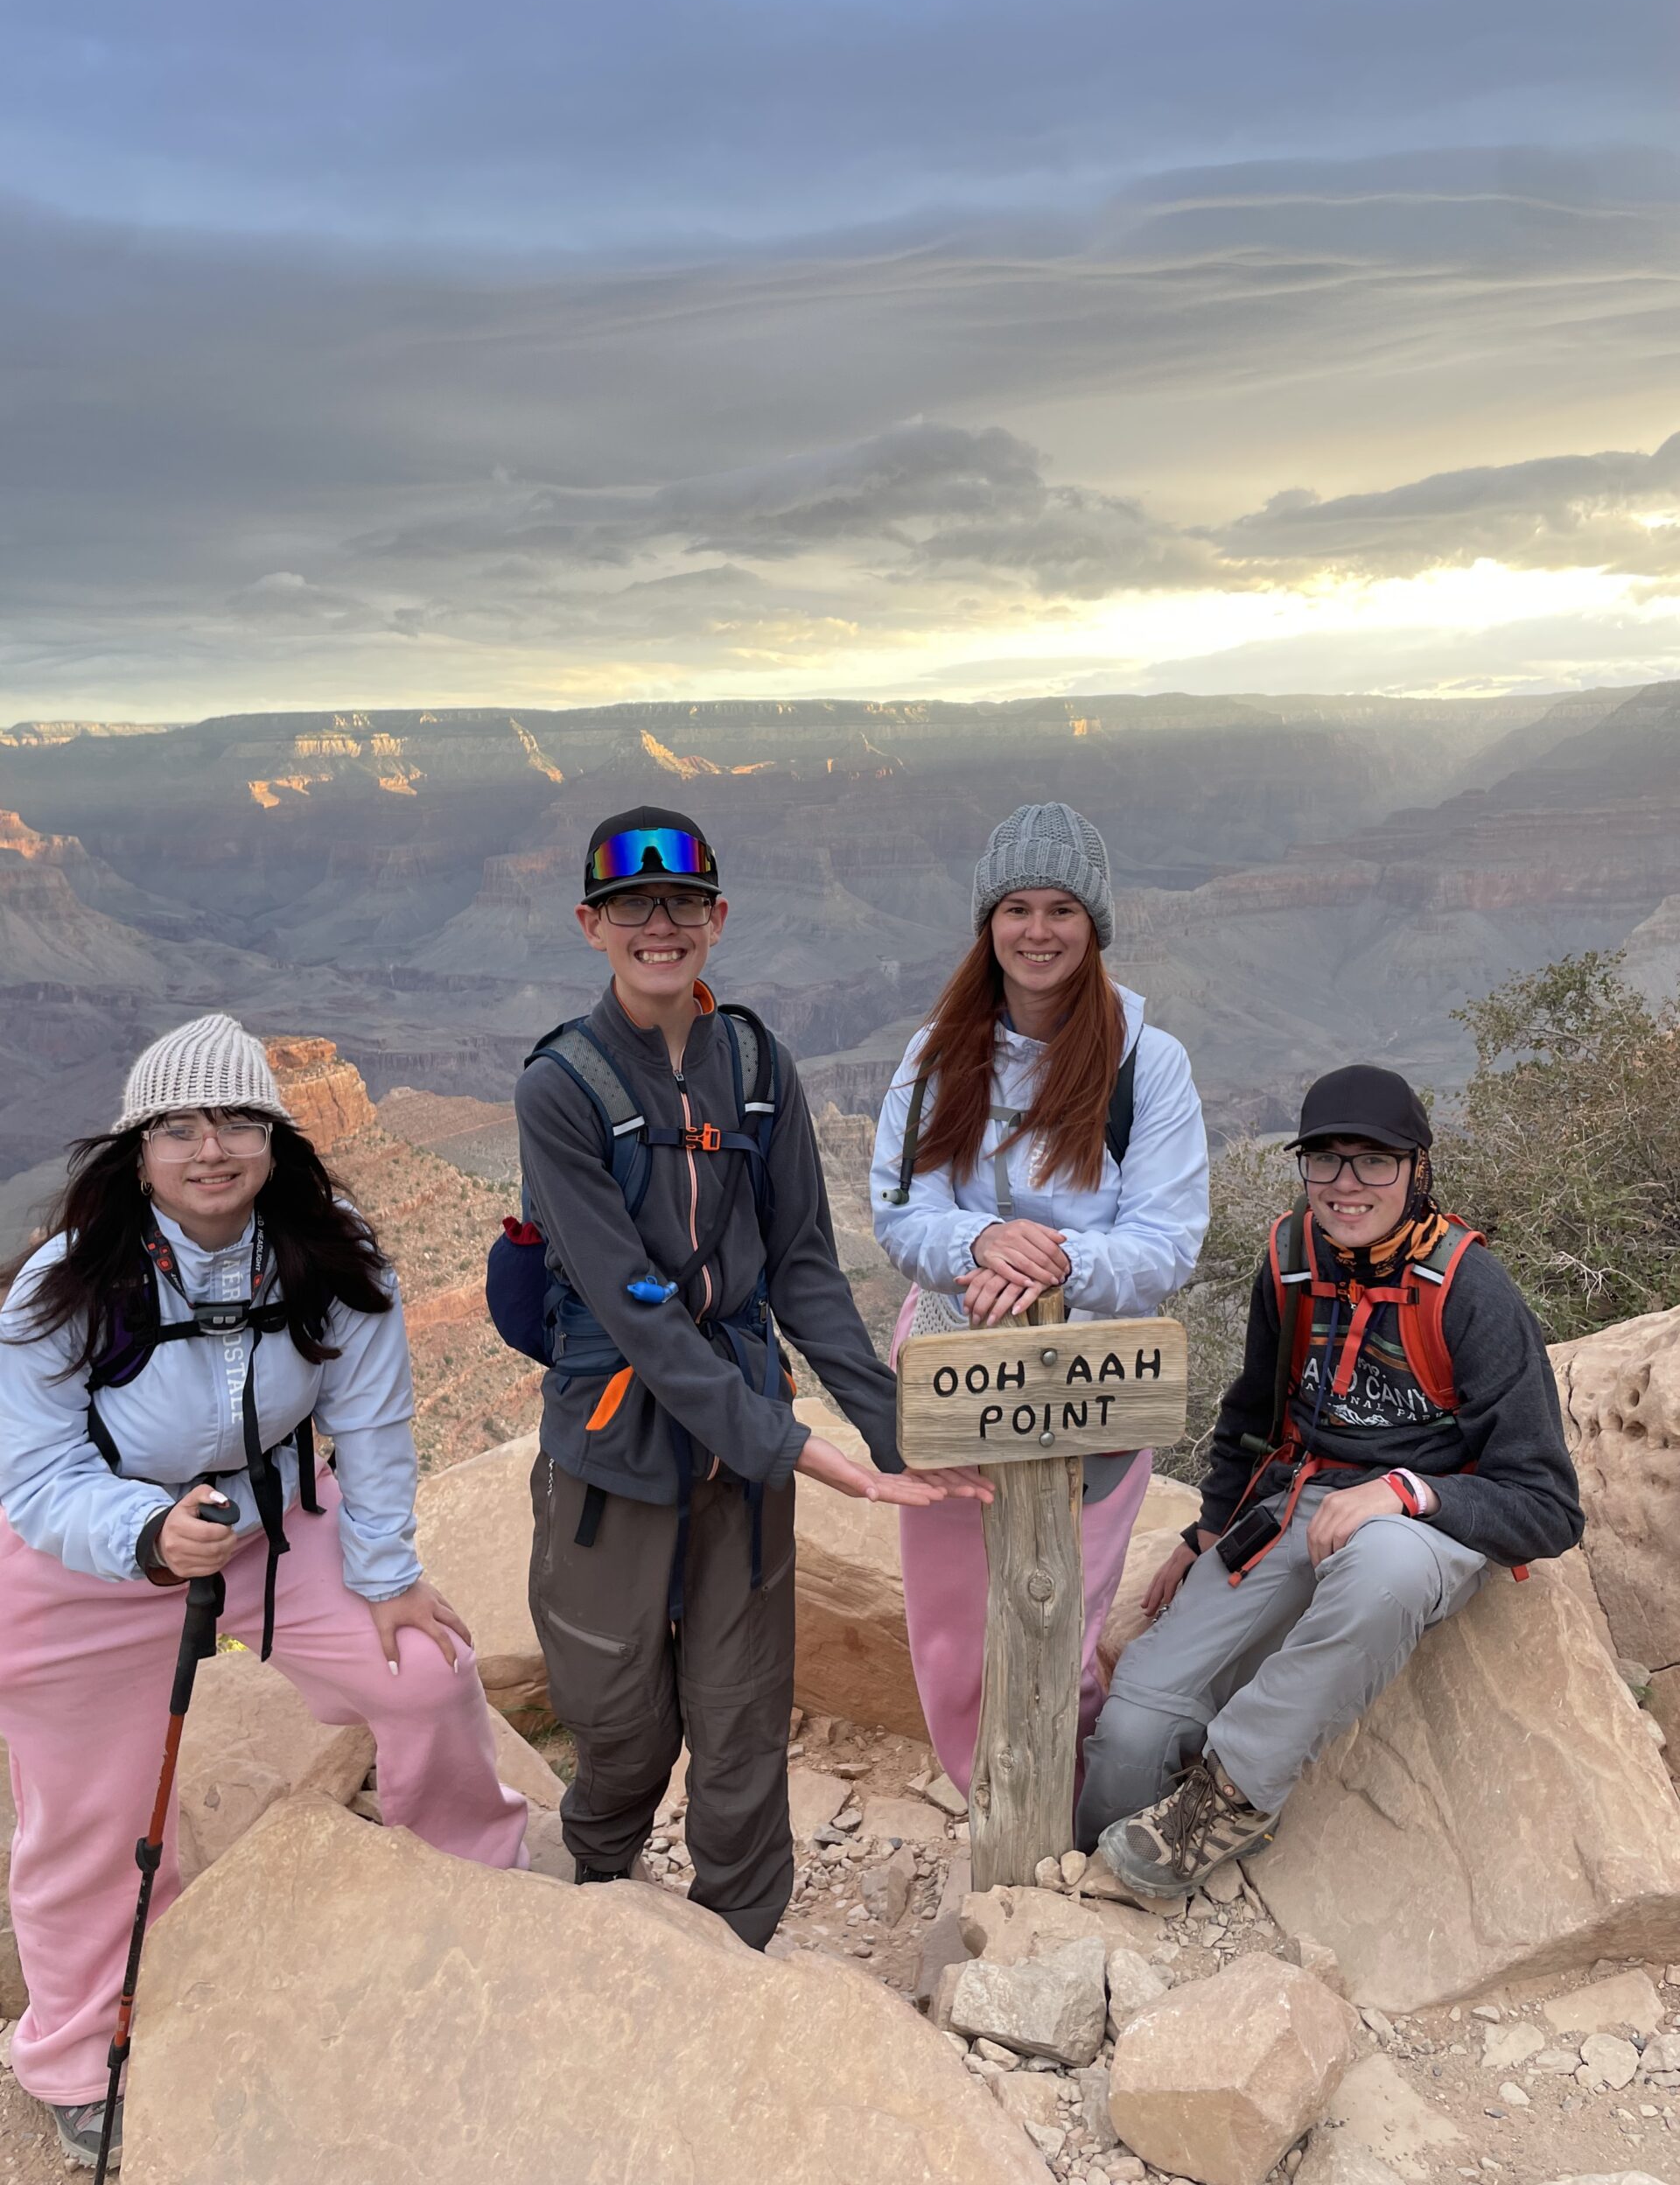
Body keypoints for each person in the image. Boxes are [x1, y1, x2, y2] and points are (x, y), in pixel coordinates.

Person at [0, 1012, 526, 2171]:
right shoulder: (65, 1282)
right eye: (177, 1127)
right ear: (137, 1148)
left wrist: (386, 1573)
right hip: (88, 1559)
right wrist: (143, 1534)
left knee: (428, 1674)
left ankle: (481, 1889)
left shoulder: (329, 1255)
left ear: (274, 1138)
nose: (210, 1149)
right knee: (87, 1820)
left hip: (272, 1528)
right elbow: (34, 1476)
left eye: (237, 1120)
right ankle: (81, 2055)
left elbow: (373, 1426)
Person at [514, 806, 982, 1952]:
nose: (659, 925)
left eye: (683, 903)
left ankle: (739, 1939)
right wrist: (806, 1452)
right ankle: (599, 1890)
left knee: (740, 1717)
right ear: (590, 924)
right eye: (631, 905)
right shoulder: (560, 1088)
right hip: (615, 1450)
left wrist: (894, 1431)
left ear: (717, 918)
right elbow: (637, 1313)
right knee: (617, 1715)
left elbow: (806, 1268)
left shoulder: (760, 1068)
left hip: (740, 1463)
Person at [1077, 1062, 1586, 1894]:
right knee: (1134, 1726)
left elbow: (1548, 1506)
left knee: (1385, 1565)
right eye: (1326, 1160)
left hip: (1426, 1517)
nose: (1347, 1185)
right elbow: (1253, 1411)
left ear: (1418, 1169)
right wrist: (1207, 1531)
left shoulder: (1468, 1288)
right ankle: (1094, 1868)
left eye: (1374, 1160)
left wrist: (1405, 1492)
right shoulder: (1291, 1258)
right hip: (1299, 1499)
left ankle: (1232, 1797)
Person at [870, 802, 1209, 1794]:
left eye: (1063, 908)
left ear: (1094, 924)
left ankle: (1063, 1811)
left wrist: (1048, 1263)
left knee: (1061, 1613)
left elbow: (1167, 1241)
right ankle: (989, 1803)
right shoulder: (937, 1056)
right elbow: (901, 1211)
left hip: (1094, 1377)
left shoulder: (1149, 1063)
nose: (1038, 931)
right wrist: (979, 1241)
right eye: (1017, 908)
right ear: (989, 923)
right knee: (951, 1635)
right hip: (956, 1363)